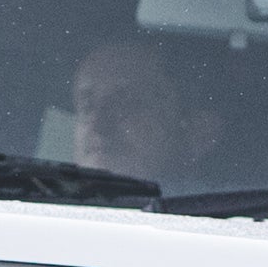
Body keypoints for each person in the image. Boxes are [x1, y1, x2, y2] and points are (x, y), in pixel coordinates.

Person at [72, 32, 230, 192]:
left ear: (199, 133)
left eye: (126, 104)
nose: (98, 127)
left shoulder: (216, 216)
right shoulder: (49, 211)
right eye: (87, 107)